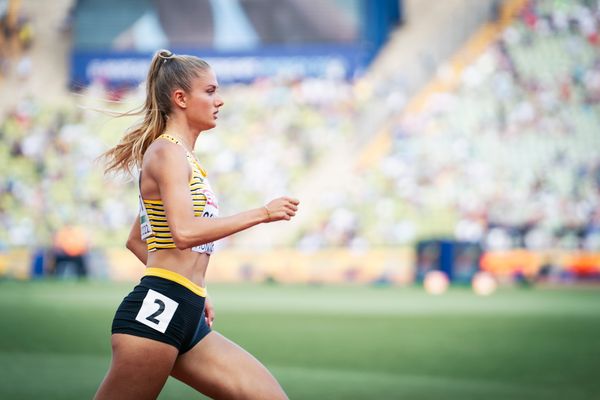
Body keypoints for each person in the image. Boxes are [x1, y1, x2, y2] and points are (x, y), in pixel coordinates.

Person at [94, 49, 299, 400]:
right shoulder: (166, 152)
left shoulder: (182, 157)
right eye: (210, 91)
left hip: (186, 310)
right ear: (180, 98)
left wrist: (191, 284)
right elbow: (184, 233)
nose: (219, 101)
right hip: (156, 312)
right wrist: (263, 213)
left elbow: (136, 240)